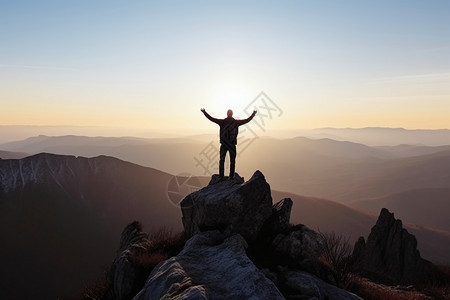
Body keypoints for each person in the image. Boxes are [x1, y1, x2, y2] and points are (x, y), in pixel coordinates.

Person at [200, 108, 257, 180]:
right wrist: (253, 114)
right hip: (232, 145)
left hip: (224, 144)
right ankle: (231, 176)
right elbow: (247, 120)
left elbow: (211, 118)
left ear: (227, 114)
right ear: (232, 114)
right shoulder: (236, 122)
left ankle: (221, 176)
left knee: (222, 160)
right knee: (232, 161)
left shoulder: (222, 122)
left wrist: (204, 112)